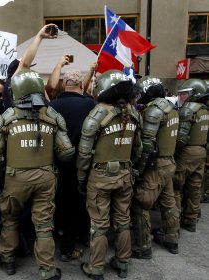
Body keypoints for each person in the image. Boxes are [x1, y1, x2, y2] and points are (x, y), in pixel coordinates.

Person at [0, 68, 75, 280]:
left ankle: (8, 261)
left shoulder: (7, 117)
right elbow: (67, 153)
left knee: (10, 219)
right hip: (45, 177)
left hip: (15, 177)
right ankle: (46, 269)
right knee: (44, 225)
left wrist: (4, 177)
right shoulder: (52, 116)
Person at [76, 70, 142, 280]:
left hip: (100, 178)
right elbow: (139, 148)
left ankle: (96, 268)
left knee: (99, 224)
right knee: (123, 221)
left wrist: (80, 176)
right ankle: (123, 263)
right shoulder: (133, 113)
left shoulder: (98, 114)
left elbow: (84, 152)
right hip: (124, 175)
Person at [49, 65, 95, 262]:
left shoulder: (52, 106)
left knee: (59, 202)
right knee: (80, 204)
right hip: (83, 163)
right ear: (80, 86)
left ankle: (60, 236)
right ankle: (74, 242)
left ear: (64, 84)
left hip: (58, 163)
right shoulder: (90, 105)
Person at [131, 76, 180, 259]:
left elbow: (147, 145)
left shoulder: (154, 110)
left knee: (140, 203)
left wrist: (139, 169)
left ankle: (143, 246)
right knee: (168, 203)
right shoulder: (171, 108)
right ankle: (171, 239)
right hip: (169, 163)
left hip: (155, 165)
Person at [173, 79, 209, 233]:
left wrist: (173, 153)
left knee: (176, 187)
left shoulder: (189, 110)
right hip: (201, 152)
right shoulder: (205, 110)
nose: (181, 98)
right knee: (195, 187)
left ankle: (173, 225)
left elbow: (180, 139)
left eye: (184, 94)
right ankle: (191, 219)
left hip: (187, 153)